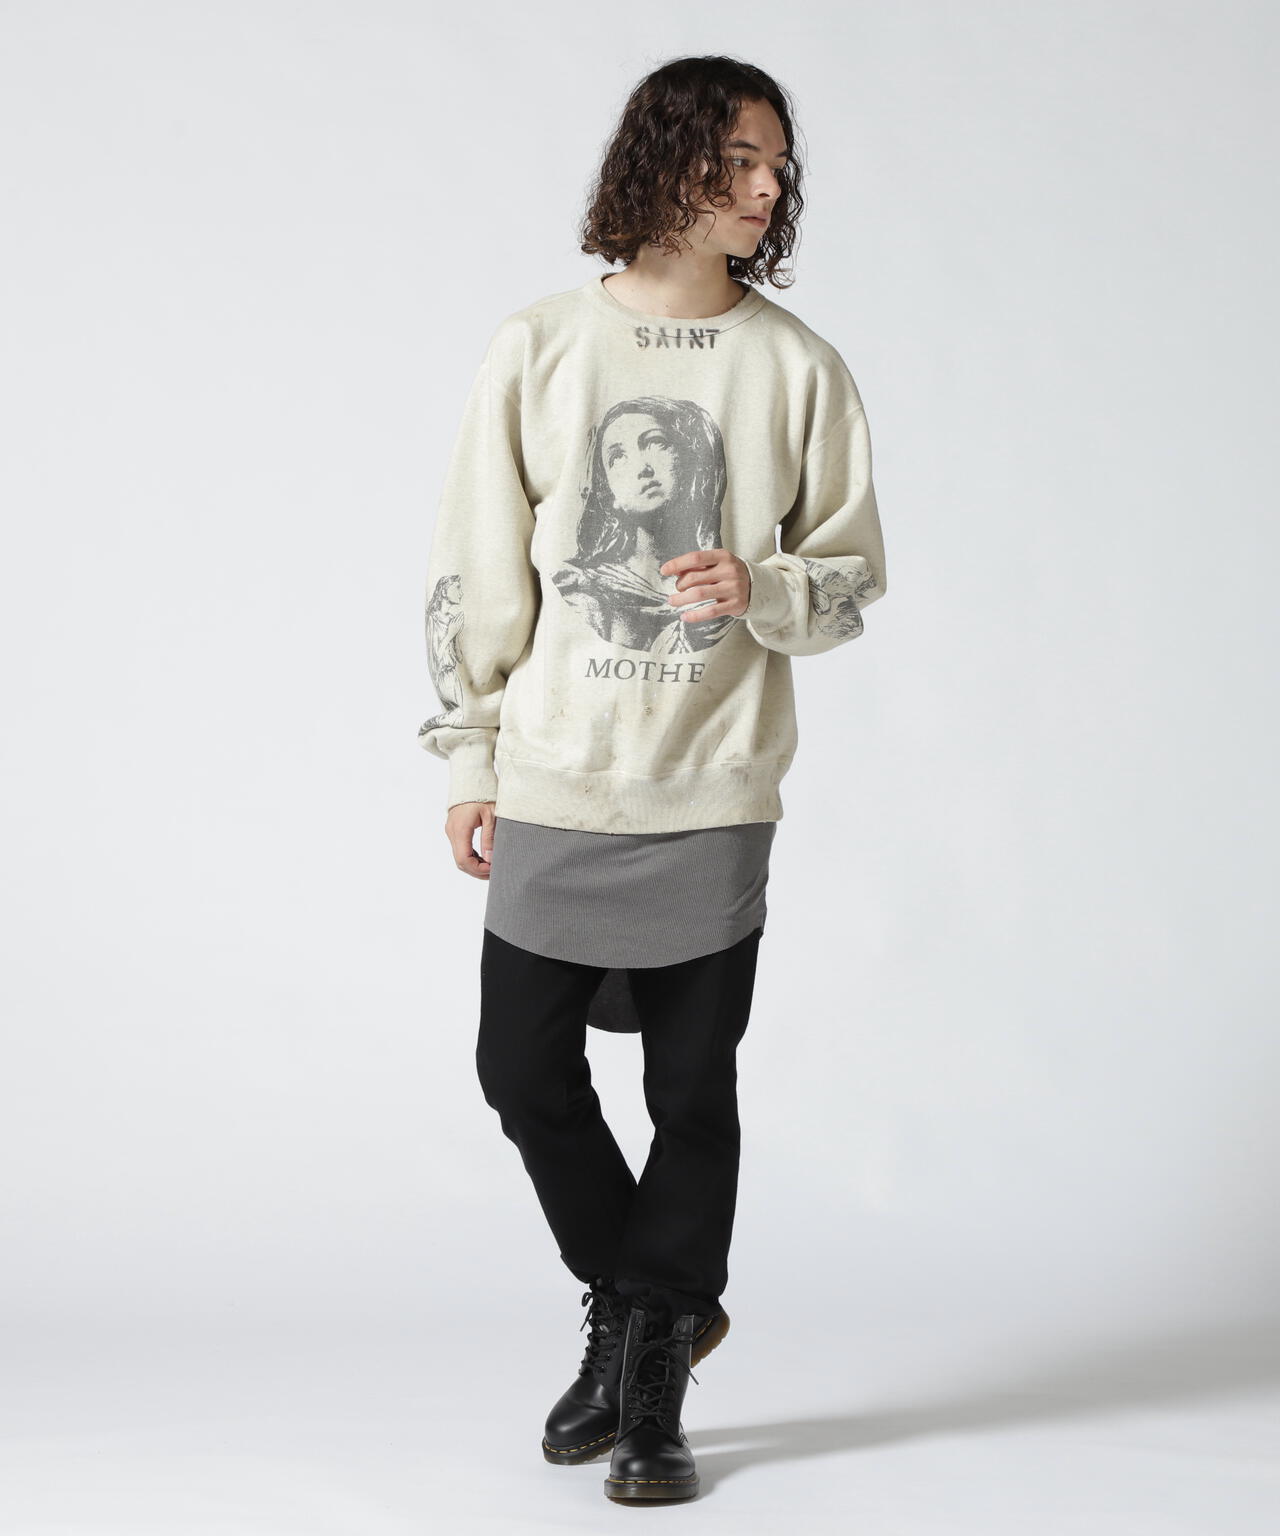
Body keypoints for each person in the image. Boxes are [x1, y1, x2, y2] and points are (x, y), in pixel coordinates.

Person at [417, 54, 888, 1505]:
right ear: (666, 161)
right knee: (520, 1069)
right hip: (559, 772)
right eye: (737, 159)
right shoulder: (540, 347)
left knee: (692, 1087)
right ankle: (646, 1306)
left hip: (714, 781)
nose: (766, 186)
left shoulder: (797, 368)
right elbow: (479, 564)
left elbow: (853, 574)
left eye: (776, 165)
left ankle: (652, 1383)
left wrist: (764, 584)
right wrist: (471, 748)